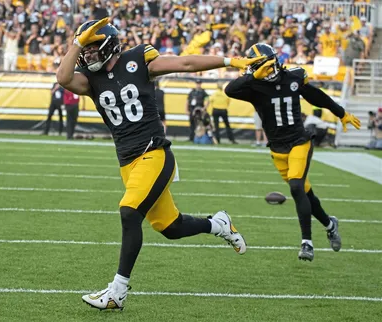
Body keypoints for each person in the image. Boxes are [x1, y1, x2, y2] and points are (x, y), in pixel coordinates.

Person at [56, 18, 262, 310]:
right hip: (128, 162)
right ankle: (218, 224)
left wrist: (230, 61)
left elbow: (186, 64)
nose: (86, 56)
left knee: (129, 212)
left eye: (91, 50)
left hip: (154, 152)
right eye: (84, 52)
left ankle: (117, 291)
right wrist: (76, 43)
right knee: (170, 226)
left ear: (107, 47)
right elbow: (63, 78)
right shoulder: (91, 80)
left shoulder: (138, 60)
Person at [224, 43, 361, 262]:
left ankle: (306, 242)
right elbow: (229, 90)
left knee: (296, 185)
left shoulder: (294, 77)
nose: (267, 71)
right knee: (305, 194)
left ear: (276, 61)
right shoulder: (253, 86)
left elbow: (316, 96)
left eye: (267, 65)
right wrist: (252, 76)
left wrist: (341, 113)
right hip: (277, 149)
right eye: (260, 67)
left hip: (299, 141)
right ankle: (329, 224)